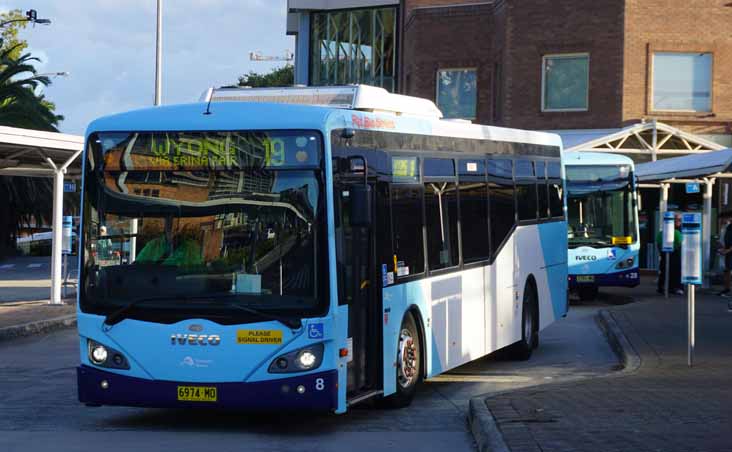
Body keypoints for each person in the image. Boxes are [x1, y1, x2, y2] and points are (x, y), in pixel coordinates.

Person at [656, 213, 683, 295]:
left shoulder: (663, 232)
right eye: (677, 220)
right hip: (673, 255)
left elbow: (658, 243)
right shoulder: (676, 232)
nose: (679, 222)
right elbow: (680, 243)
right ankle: (671, 287)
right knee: (671, 271)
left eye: (680, 220)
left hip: (668, 254)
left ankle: (664, 287)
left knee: (667, 270)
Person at [716, 212, 732, 297]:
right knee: (726, 271)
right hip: (725, 252)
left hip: (729, 253)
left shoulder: (730, 227)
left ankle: (727, 289)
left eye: (722, 218)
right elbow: (722, 240)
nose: (721, 220)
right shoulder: (724, 228)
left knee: (728, 271)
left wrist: (727, 250)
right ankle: (726, 289)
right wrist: (720, 246)